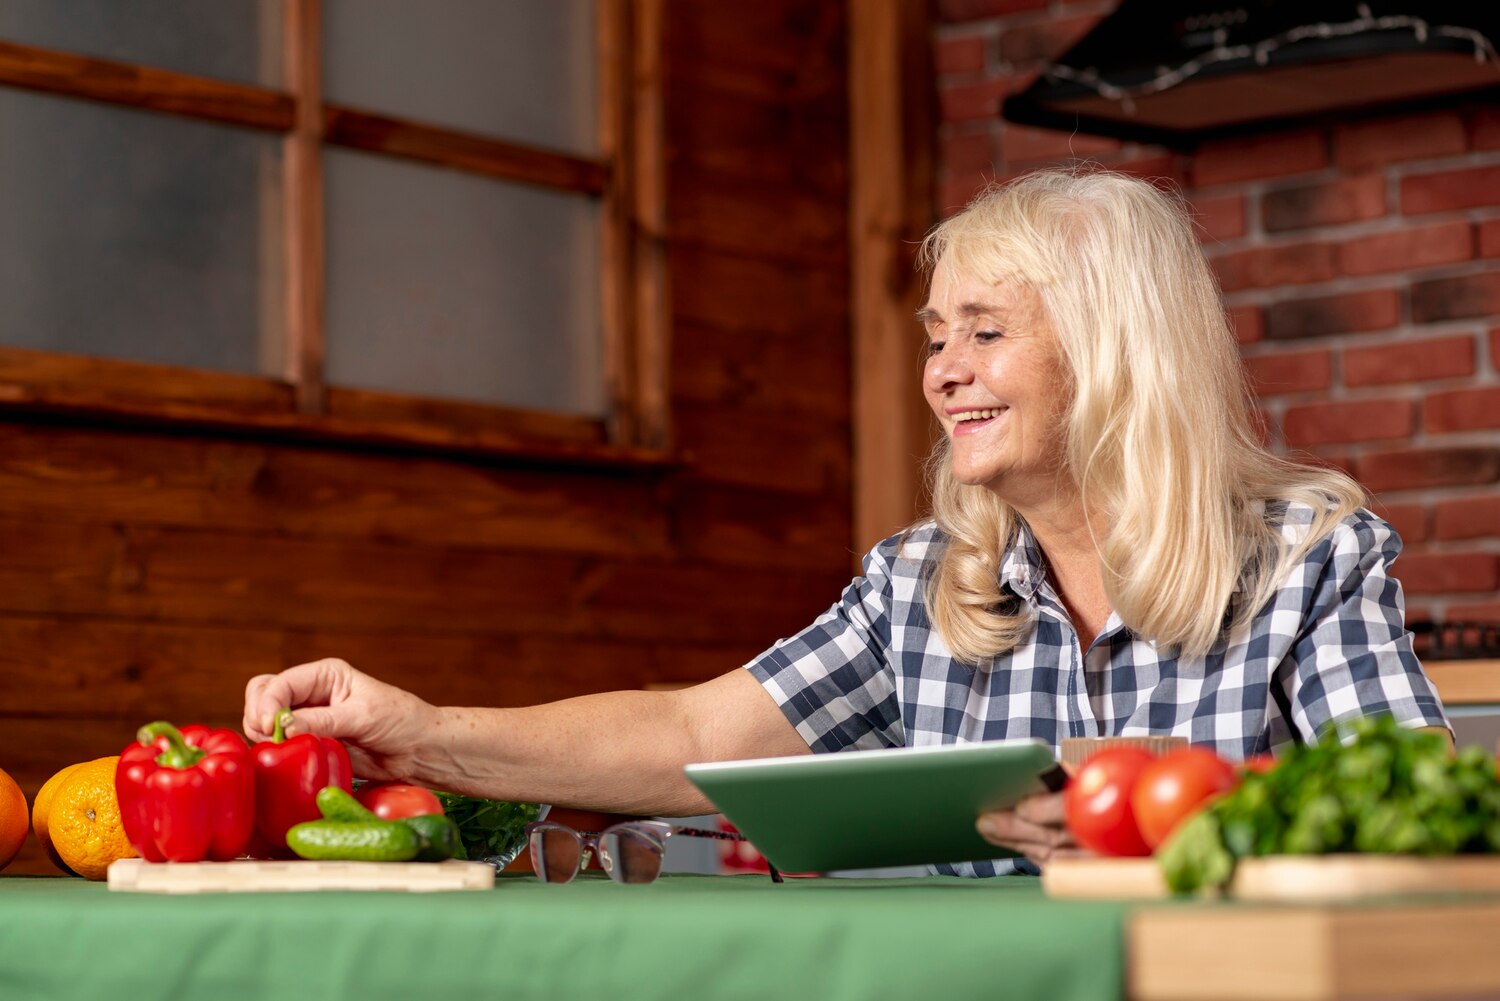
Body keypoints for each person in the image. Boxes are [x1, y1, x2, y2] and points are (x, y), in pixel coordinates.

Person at [244, 166, 1451, 876]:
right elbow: (690, 733)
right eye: (937, 337)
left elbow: (1416, 828)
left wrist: (1141, 813)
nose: (944, 373)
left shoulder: (1307, 559)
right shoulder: (921, 580)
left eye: (985, 329)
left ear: (1118, 348)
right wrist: (424, 731)